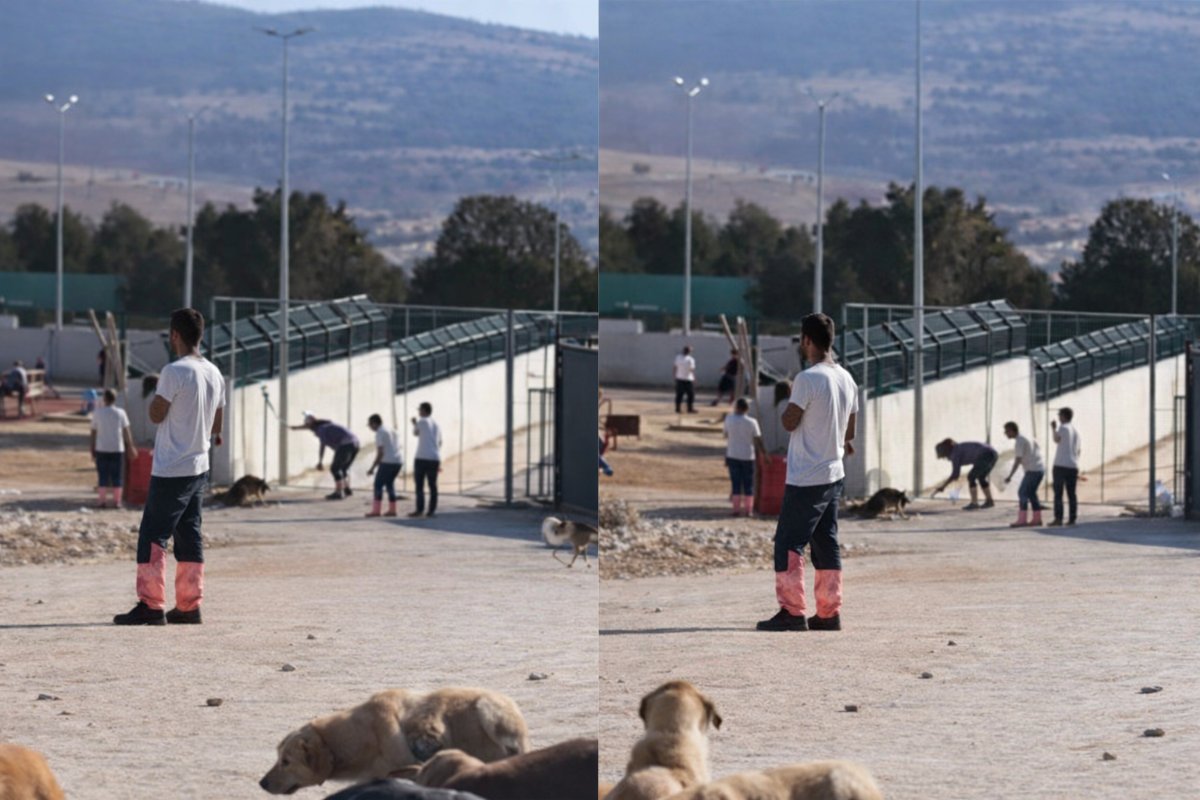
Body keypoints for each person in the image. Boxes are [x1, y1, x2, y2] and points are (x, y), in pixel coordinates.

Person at [113, 308, 224, 626]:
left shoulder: (174, 371)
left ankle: (150, 604)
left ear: (175, 335)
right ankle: (189, 605)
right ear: (200, 335)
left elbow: (156, 415)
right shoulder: (214, 373)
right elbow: (217, 423)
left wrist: (156, 396)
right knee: (189, 534)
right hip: (198, 465)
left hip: (171, 466)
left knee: (153, 534)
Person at [757, 313, 857, 633]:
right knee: (826, 542)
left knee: (788, 542)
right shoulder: (847, 378)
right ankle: (828, 612)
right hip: (834, 473)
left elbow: (789, 422)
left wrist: (792, 402)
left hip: (806, 476)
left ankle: (791, 610)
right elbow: (849, 432)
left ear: (807, 341)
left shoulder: (808, 379)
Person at [292, 413, 360, 500]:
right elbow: (309, 426)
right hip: (355, 444)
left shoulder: (321, 430)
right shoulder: (325, 425)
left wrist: (320, 461)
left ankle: (339, 492)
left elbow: (322, 446)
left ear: (312, 426)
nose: (312, 432)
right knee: (342, 468)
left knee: (334, 468)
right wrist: (296, 428)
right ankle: (347, 489)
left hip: (346, 445)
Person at [90, 388, 136, 509]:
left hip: (102, 448)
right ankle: (117, 501)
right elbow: (127, 431)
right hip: (117, 448)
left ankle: (101, 500)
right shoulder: (121, 413)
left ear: (104, 399)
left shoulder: (98, 413)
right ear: (115, 399)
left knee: (102, 475)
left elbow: (93, 432)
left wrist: (92, 447)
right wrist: (131, 446)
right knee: (117, 476)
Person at [932, 438, 998, 510]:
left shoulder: (955, 453)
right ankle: (989, 501)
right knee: (981, 477)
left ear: (946, 451)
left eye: (943, 455)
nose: (945, 458)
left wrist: (943, 486)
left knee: (971, 477)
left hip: (986, 454)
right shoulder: (958, 448)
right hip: (993, 454)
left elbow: (955, 474)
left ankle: (974, 503)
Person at [723, 397, 762, 516]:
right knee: (748, 483)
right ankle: (748, 510)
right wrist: (763, 454)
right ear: (747, 409)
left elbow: (725, 435)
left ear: (736, 407)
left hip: (732, 454)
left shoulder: (729, 419)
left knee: (736, 483)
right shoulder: (752, 422)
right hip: (748, 455)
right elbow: (757, 440)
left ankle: (736, 509)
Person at [1002, 421, 1045, 527]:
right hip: (1039, 469)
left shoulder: (1019, 441)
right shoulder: (1027, 436)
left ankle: (1022, 520)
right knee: (1031, 494)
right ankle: (1037, 519)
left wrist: (1010, 476)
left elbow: (1018, 460)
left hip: (1032, 471)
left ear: (1012, 430)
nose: (1005, 433)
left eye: (1007, 431)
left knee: (1022, 493)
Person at [365, 413, 403, 517]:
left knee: (378, 485)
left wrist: (372, 468)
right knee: (389, 484)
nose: (370, 427)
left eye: (370, 424)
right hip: (398, 461)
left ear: (374, 423)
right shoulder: (391, 429)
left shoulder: (379, 433)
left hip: (388, 462)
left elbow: (380, 452)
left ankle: (376, 511)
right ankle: (392, 509)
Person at [1050, 407, 1082, 527]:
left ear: (1064, 416)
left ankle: (1058, 518)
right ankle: (1072, 518)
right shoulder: (1075, 431)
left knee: (1058, 493)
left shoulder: (1063, 428)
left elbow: (1056, 439)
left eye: (1060, 415)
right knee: (1071, 493)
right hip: (1073, 465)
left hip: (1060, 464)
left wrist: (1053, 429)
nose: (1059, 418)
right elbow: (1079, 450)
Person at [410, 402, 442, 518]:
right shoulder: (436, 424)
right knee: (432, 485)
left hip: (422, 457)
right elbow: (440, 442)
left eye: (420, 410)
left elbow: (415, 433)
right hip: (434, 457)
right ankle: (431, 510)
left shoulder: (422, 421)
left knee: (419, 485)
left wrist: (414, 423)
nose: (419, 412)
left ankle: (420, 509)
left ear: (424, 411)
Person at [672, 345, 696, 414]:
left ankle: (685, 408)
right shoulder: (690, 359)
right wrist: (694, 378)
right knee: (685, 395)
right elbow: (692, 370)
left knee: (688, 395)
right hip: (684, 379)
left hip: (684, 379)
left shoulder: (679, 357)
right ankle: (682, 409)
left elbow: (675, 367)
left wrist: (674, 376)